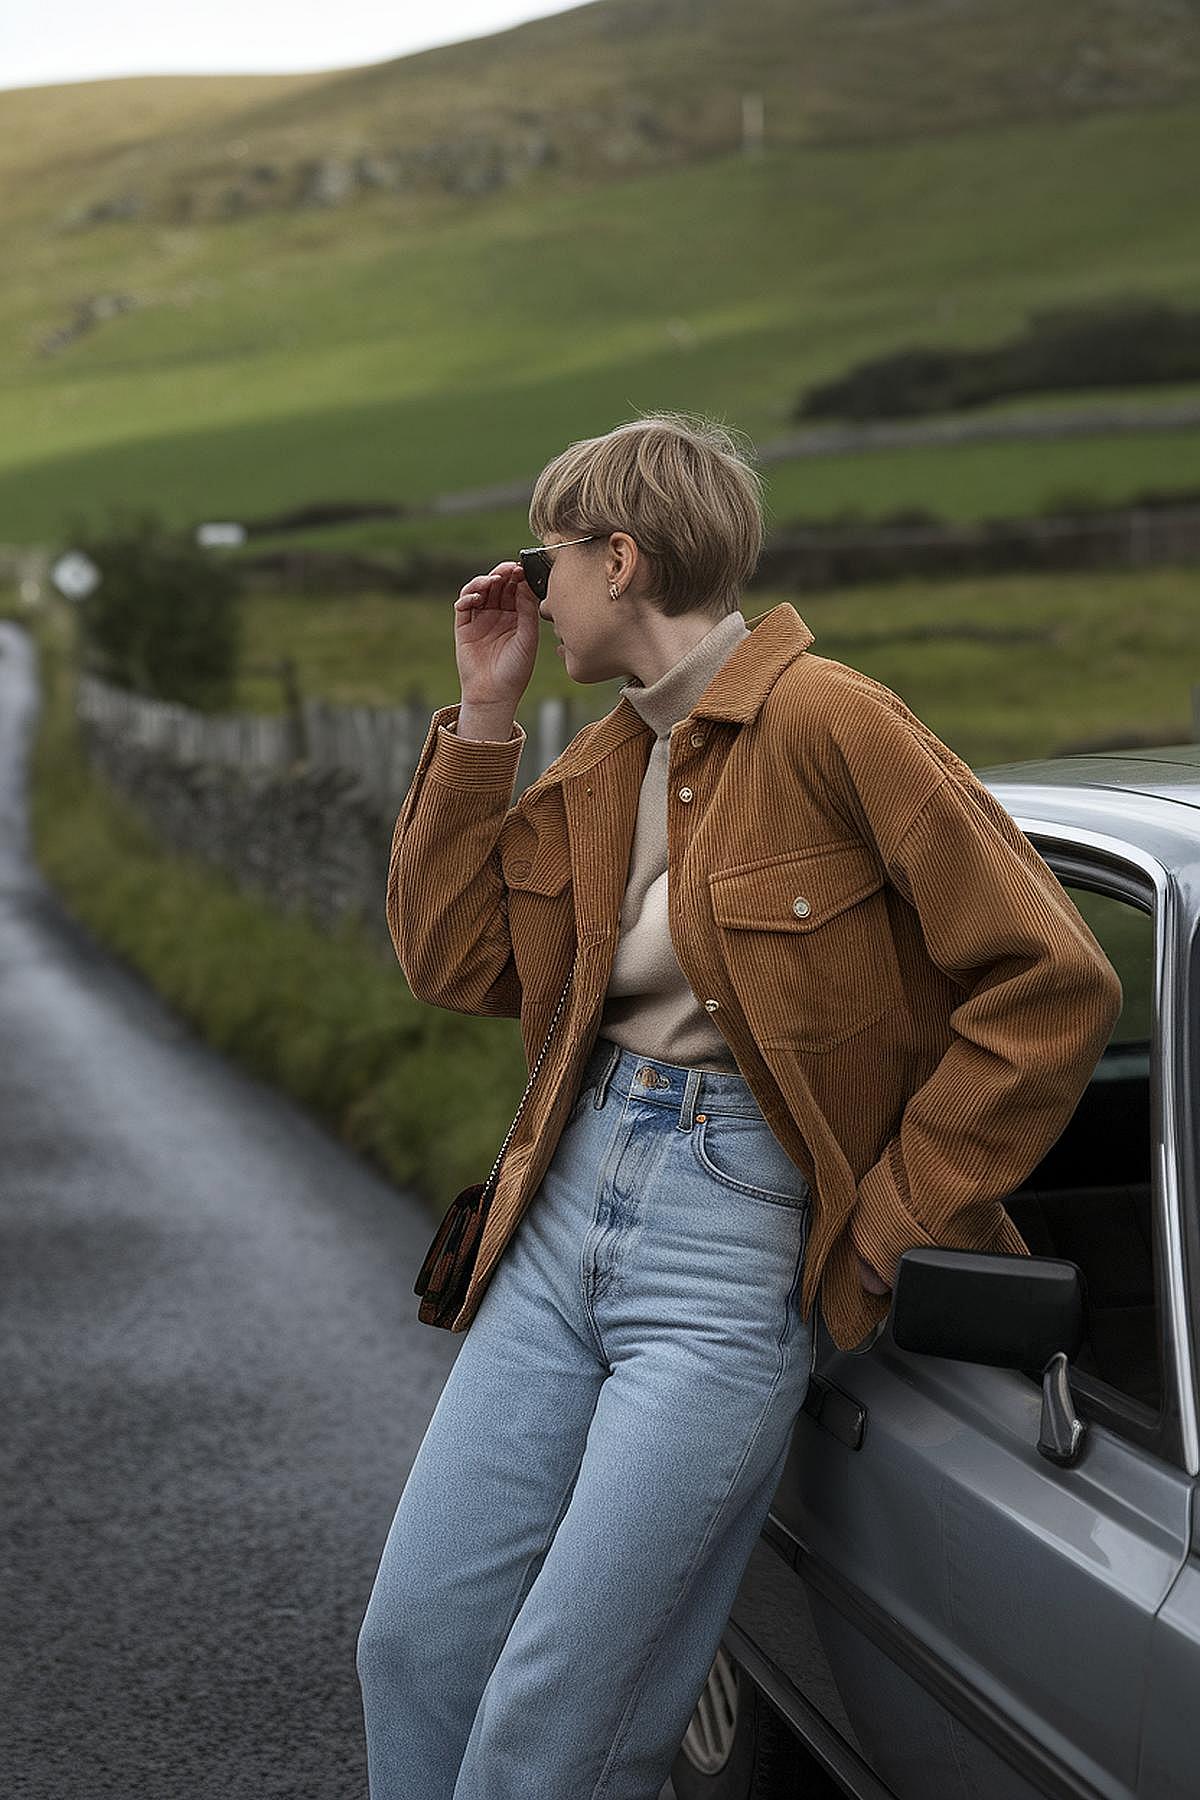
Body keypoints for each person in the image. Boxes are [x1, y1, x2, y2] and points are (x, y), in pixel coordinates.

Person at [356, 411, 1122, 1800]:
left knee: (560, 1718)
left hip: (730, 1251)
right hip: (561, 1210)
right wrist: (480, 714)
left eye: (554, 556)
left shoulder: (838, 723)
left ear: (623, 559)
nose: (535, 581)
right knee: (415, 1644)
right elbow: (455, 957)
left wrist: (891, 1224)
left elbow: (1049, 980)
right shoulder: (605, 761)